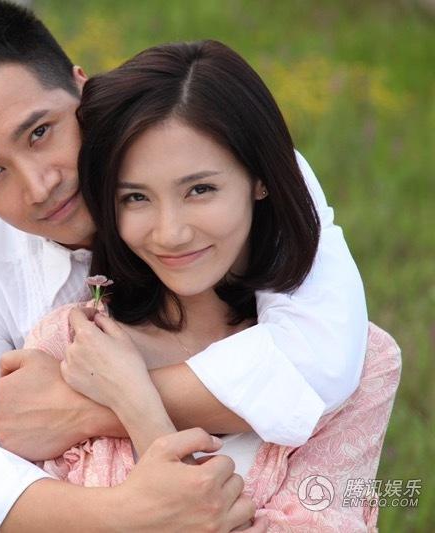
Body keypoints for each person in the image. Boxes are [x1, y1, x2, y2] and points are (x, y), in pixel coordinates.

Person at [0, 1, 367, 531]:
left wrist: (84, 406)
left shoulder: (218, 161)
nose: (39, 186)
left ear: (83, 88)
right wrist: (130, 513)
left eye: (39, 132)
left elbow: (321, 361)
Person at [22, 40, 400, 531]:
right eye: (135, 197)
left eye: (200, 189)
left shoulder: (364, 365)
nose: (170, 233)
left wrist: (140, 407)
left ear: (260, 179)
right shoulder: (72, 345)